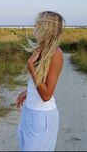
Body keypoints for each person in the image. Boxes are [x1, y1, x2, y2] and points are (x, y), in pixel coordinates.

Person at [16, 11, 65, 151]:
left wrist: (31, 66)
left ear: (46, 27)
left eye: (38, 22)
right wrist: (28, 92)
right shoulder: (42, 49)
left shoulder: (56, 54)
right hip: (29, 112)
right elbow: (40, 82)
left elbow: (46, 95)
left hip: (42, 116)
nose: (35, 25)